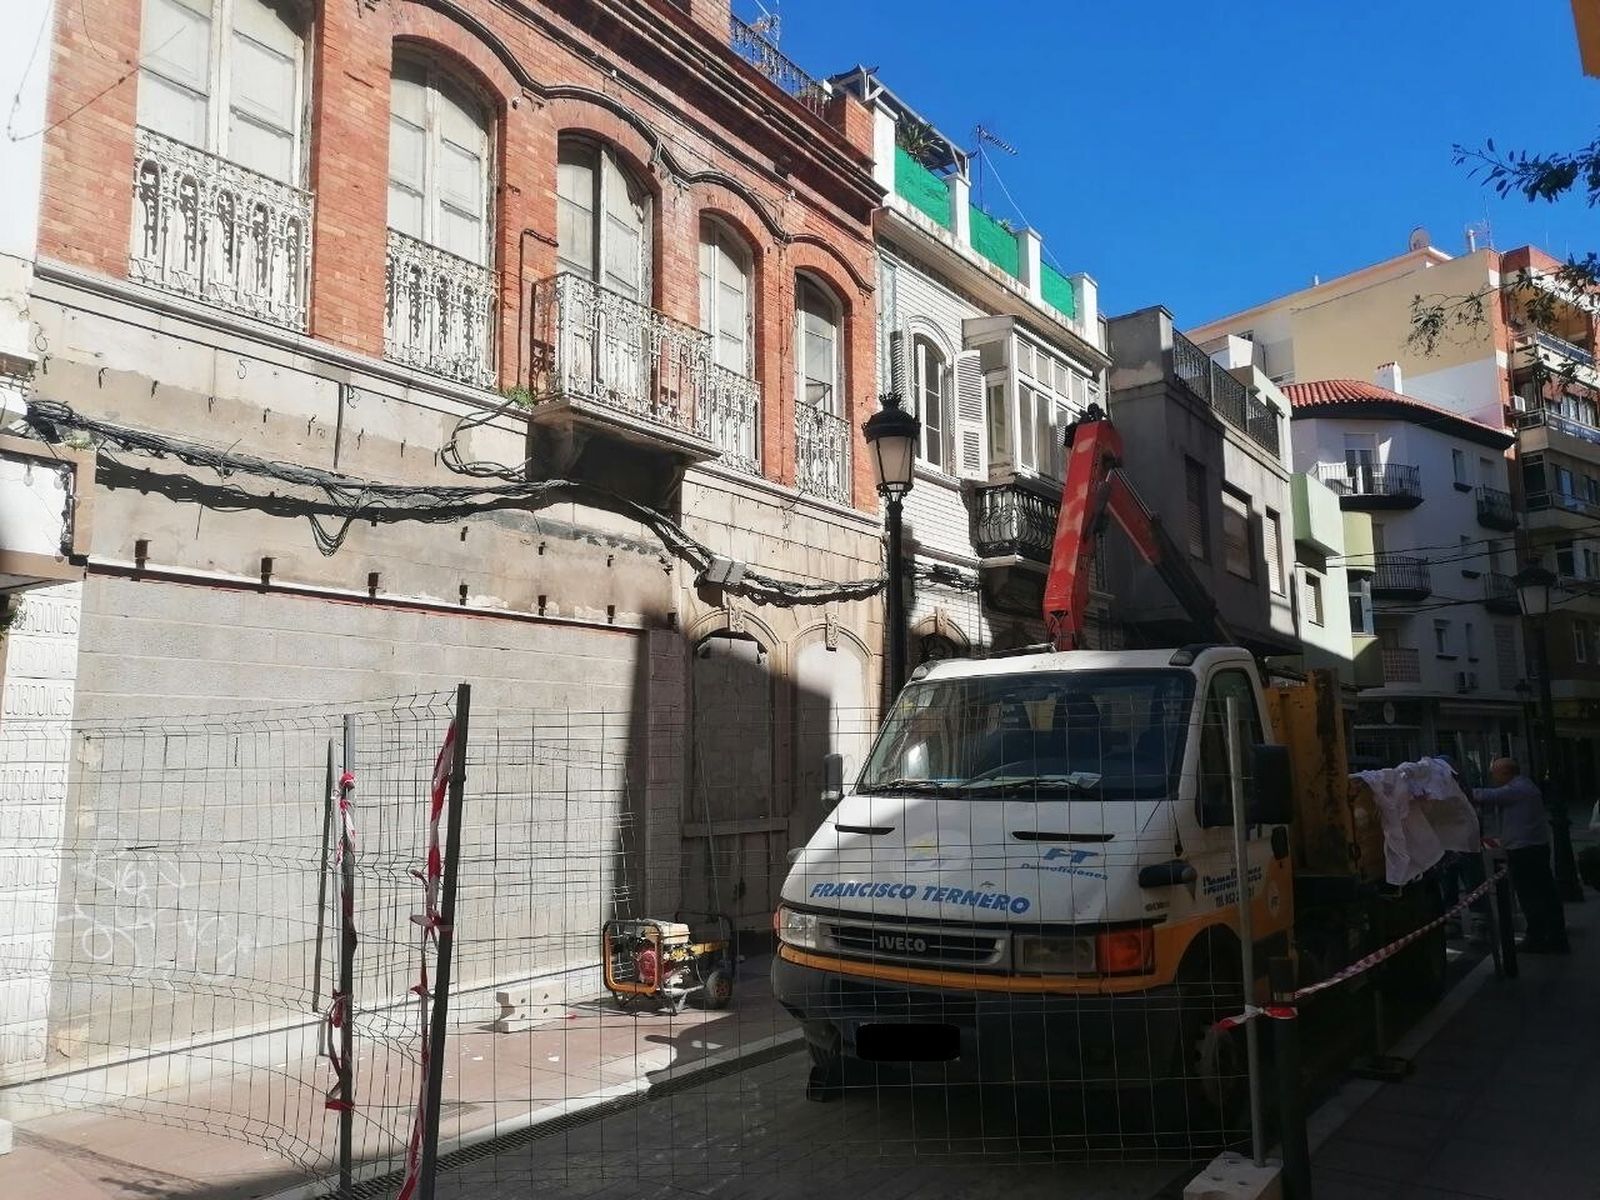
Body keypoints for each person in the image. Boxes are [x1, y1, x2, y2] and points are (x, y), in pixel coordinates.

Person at [1473, 758, 1570, 954]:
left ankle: (1540, 936)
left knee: (1531, 894)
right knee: (1541, 892)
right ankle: (1548, 934)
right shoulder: (1524, 787)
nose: (1493, 777)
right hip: (1531, 847)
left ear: (1506, 773)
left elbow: (1487, 795)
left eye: (1495, 773)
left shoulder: (1518, 789)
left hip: (1526, 849)